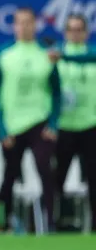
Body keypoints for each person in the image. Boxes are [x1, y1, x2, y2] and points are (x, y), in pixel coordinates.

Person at [0, 8, 60, 233]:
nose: (24, 27)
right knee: (9, 174)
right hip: (12, 125)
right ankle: (5, 221)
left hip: (40, 122)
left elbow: (57, 91)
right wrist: (1, 129)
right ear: (14, 26)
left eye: (28, 22)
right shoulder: (2, 54)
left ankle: (50, 221)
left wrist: (54, 123)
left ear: (35, 25)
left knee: (45, 170)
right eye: (20, 23)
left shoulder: (48, 53)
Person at [48, 15, 96, 225]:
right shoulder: (53, 56)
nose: (75, 34)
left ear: (86, 32)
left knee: (94, 179)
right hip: (64, 126)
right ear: (65, 32)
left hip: (90, 124)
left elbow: (87, 58)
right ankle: (51, 222)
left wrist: (64, 57)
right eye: (71, 30)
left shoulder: (90, 53)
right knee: (56, 178)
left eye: (79, 30)